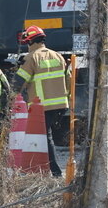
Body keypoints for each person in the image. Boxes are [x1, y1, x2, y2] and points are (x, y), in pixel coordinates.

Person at [17, 24, 72, 177]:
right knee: (49, 136)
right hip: (61, 105)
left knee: (45, 137)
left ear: (30, 41)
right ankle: (49, 170)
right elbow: (69, 80)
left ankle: (54, 172)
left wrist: (12, 98)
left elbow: (20, 83)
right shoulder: (58, 56)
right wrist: (66, 99)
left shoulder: (31, 58)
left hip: (42, 106)